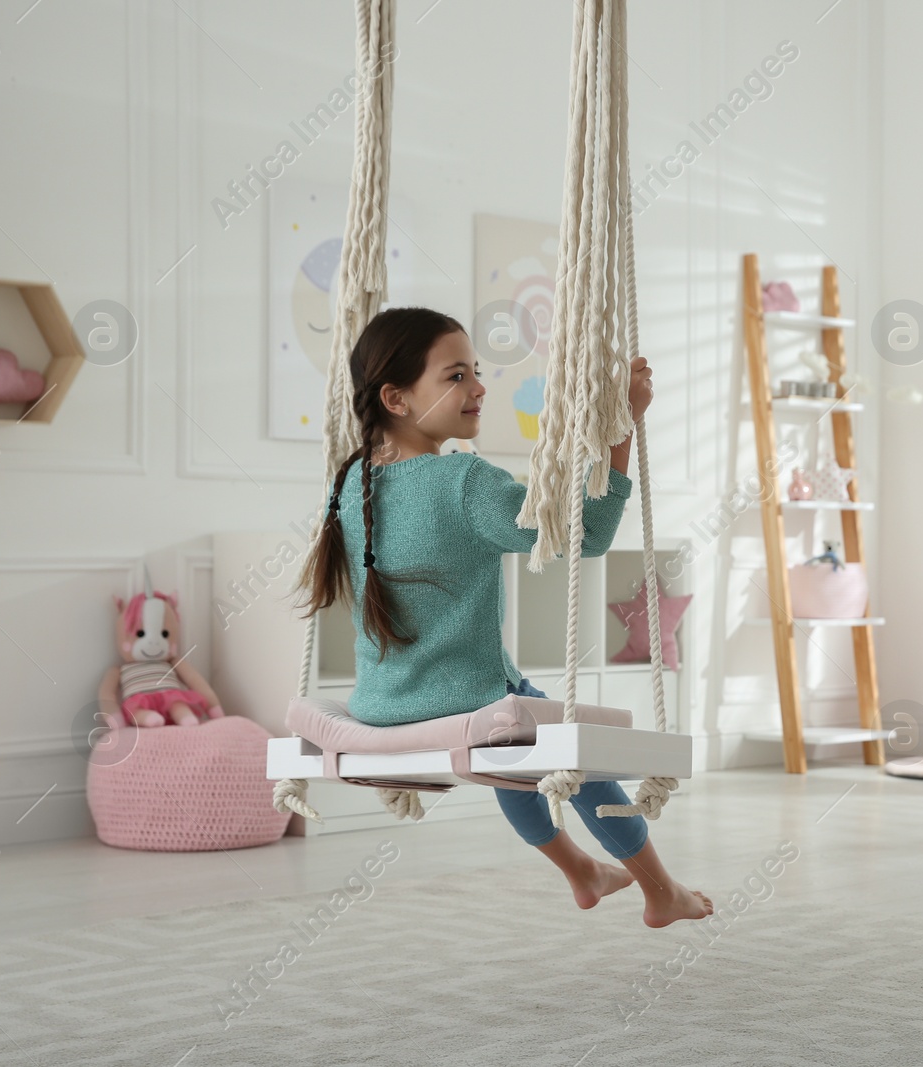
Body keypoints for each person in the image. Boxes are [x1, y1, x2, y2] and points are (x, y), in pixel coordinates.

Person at [294, 307, 711, 928]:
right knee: (569, 748)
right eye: (456, 376)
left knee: (512, 747)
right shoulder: (462, 480)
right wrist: (623, 422)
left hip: (383, 703)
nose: (479, 388)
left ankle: (583, 871)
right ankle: (661, 892)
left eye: (477, 372)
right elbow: (588, 534)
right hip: (460, 700)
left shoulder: (349, 481)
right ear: (397, 397)